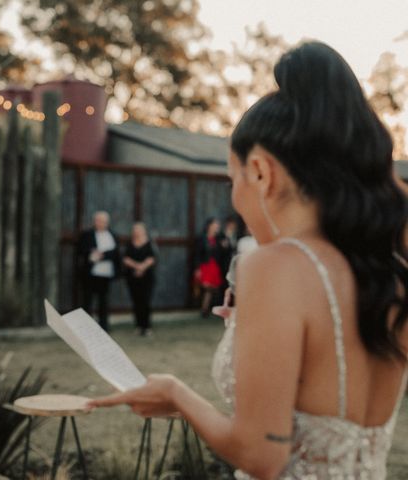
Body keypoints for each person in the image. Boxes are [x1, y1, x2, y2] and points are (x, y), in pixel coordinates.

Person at [90, 41, 408, 478]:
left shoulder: (275, 266)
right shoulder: (388, 268)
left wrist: (178, 395)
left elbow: (262, 456)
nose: (234, 196)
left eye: (230, 179)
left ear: (260, 171)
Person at [77, 211, 121, 332]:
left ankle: (104, 326)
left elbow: (116, 253)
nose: (101, 223)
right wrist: (91, 255)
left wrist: (103, 255)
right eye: (98, 220)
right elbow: (81, 250)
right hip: (91, 273)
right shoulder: (87, 234)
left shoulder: (112, 235)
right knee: (87, 300)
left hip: (106, 273)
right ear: (94, 221)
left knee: (104, 301)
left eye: (103, 221)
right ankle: (85, 327)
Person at [122, 222, 157, 336]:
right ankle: (138, 326)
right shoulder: (129, 243)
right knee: (136, 301)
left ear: (144, 231)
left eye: (139, 229)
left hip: (147, 277)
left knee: (146, 301)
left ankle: (147, 327)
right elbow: (125, 259)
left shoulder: (150, 243)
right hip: (132, 277)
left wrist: (142, 268)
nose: (137, 232)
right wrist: (137, 267)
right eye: (135, 230)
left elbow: (152, 258)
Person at [193, 218, 223, 317]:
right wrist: (197, 268)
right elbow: (197, 254)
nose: (217, 226)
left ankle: (208, 308)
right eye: (215, 224)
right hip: (205, 265)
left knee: (214, 288)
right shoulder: (202, 238)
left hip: (214, 266)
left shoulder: (218, 238)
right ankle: (204, 309)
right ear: (209, 225)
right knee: (207, 287)